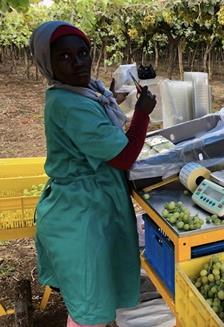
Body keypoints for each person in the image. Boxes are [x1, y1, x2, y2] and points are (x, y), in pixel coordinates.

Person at [30, 21, 156, 327]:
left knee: (94, 295)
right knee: (89, 306)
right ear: (48, 63)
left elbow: (101, 110)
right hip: (82, 216)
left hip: (87, 206)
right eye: (65, 57)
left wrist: (115, 96)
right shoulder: (69, 104)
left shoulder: (83, 91)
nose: (78, 63)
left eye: (83, 53)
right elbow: (124, 156)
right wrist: (142, 115)